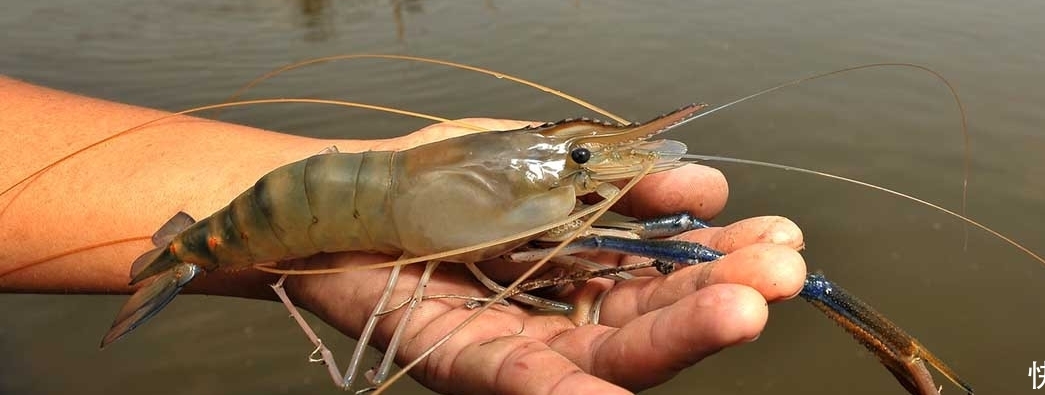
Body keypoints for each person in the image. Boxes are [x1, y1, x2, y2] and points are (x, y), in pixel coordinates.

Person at [0, 76, 807, 394]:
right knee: (678, 249)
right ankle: (181, 258)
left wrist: (577, 164)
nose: (588, 167)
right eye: (579, 156)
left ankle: (182, 254)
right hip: (292, 213)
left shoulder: (549, 179)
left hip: (328, 203)